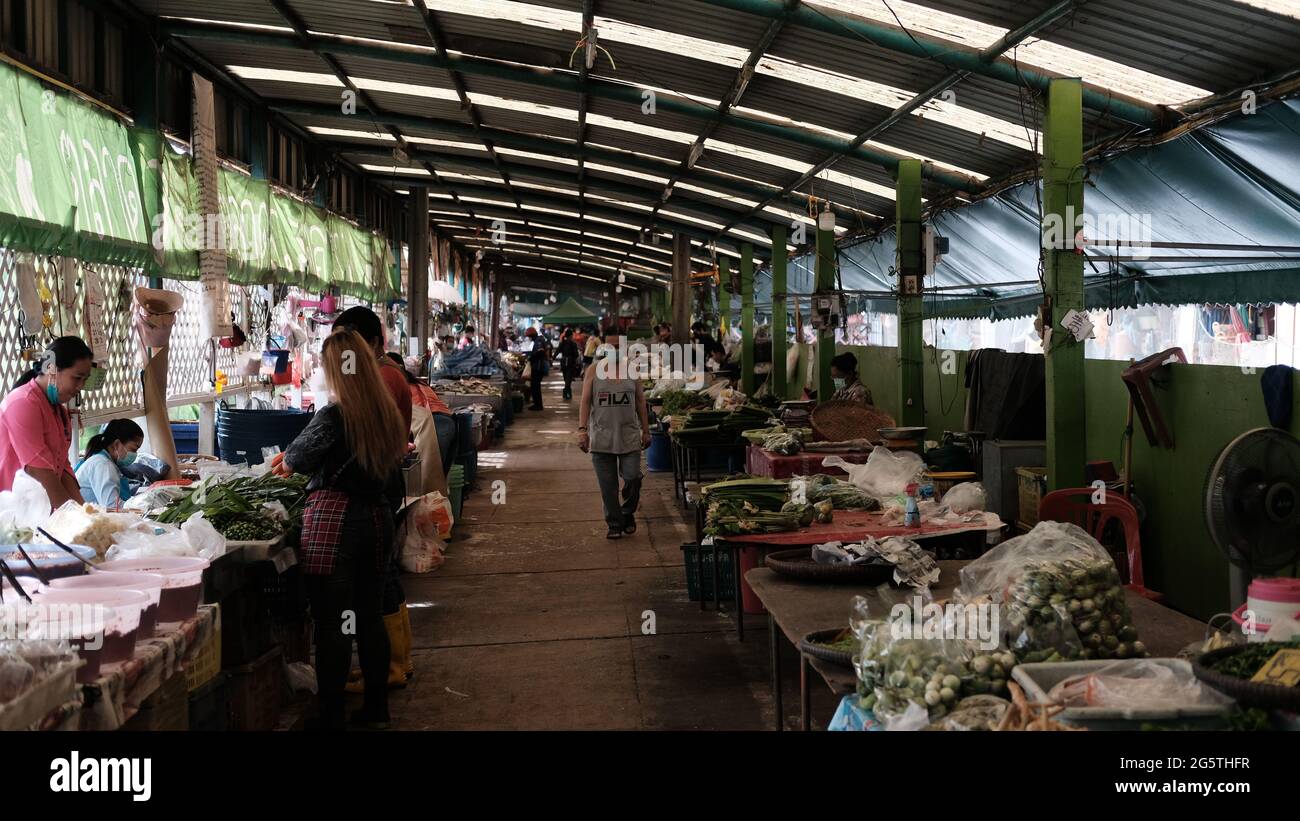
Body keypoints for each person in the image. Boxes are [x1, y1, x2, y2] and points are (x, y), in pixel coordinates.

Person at [278, 329, 407, 731]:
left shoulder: (334, 415)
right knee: (368, 617)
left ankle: (330, 713)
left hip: (336, 524)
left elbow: (296, 458)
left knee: (332, 622)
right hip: (377, 519)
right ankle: (377, 709)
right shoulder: (384, 410)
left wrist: (292, 459)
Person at [326, 306, 414, 697]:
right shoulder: (384, 375)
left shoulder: (383, 378)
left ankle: (395, 666)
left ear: (371, 342)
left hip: (378, 483)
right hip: (381, 480)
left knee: (380, 583)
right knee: (381, 579)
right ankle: (392, 665)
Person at [0, 336, 93, 509]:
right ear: (51, 369)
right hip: (11, 514)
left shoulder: (60, 412)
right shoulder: (22, 403)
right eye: (77, 378)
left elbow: (62, 468)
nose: (81, 386)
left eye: (85, 380)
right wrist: (74, 518)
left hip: (36, 510)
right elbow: (39, 471)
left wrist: (86, 511)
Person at [578, 338, 651, 539]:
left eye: (619, 348)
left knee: (632, 477)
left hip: (628, 436)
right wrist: (582, 430)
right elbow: (585, 402)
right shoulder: (593, 370)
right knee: (608, 486)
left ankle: (627, 512)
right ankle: (614, 523)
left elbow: (640, 401)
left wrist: (646, 430)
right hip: (602, 437)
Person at [386, 352, 457, 477]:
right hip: (448, 422)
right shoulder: (420, 383)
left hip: (433, 424)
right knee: (439, 476)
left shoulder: (397, 384)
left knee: (428, 477)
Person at [75, 419, 144, 509]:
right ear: (117, 444)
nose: (135, 454)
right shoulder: (103, 465)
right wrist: (141, 507)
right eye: (134, 449)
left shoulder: (103, 462)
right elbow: (111, 507)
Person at [524, 327, 550, 410]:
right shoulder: (538, 340)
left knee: (535, 386)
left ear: (532, 335)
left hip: (538, 367)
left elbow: (540, 352)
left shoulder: (538, 341)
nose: (529, 338)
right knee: (535, 386)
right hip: (537, 366)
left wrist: (531, 358)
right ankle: (537, 404)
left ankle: (538, 405)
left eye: (529, 336)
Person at [556, 327, 581, 401]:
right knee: (568, 379)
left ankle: (567, 393)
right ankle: (567, 392)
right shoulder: (573, 344)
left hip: (564, 363)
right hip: (570, 363)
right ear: (571, 336)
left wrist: (552, 358)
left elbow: (557, 351)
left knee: (566, 379)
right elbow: (576, 354)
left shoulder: (562, 343)